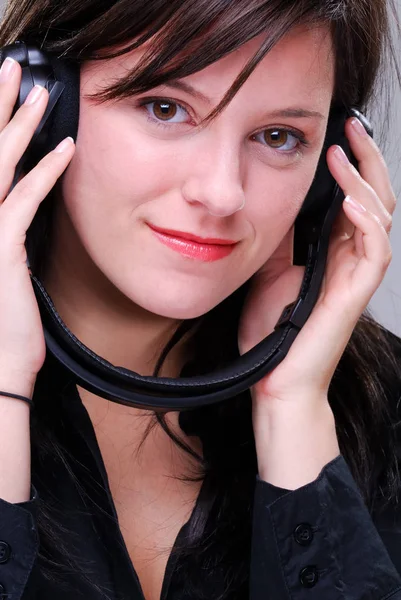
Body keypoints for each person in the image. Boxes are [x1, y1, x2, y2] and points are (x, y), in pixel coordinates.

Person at [0, 0, 400, 598]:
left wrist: (293, 410)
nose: (221, 193)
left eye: (278, 136)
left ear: (327, 173)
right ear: (41, 103)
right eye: (165, 108)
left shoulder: (384, 404)